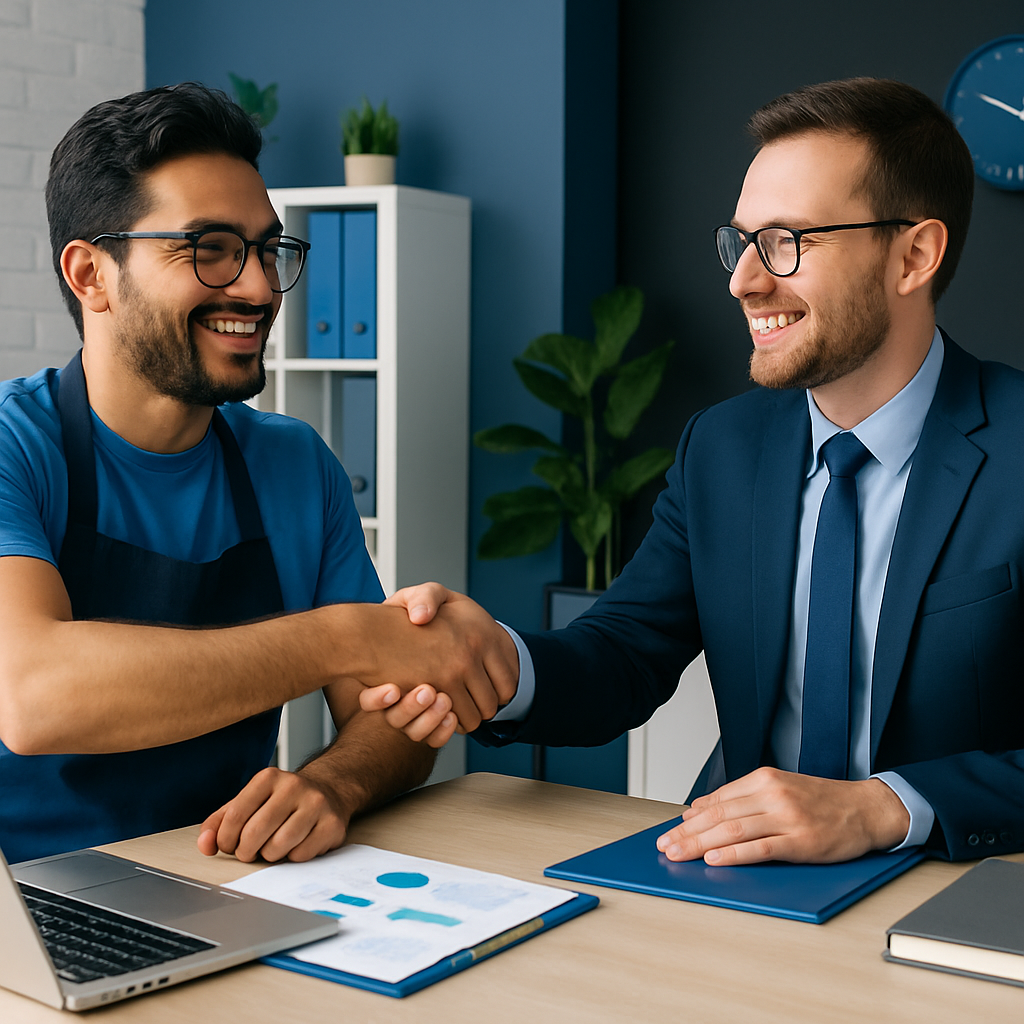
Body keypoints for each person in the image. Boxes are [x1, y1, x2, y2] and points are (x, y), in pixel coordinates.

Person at [362, 78, 1024, 866]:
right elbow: (626, 651)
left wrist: (885, 808)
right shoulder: (722, 446)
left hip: (959, 896)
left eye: (788, 242)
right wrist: (504, 664)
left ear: (914, 255)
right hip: (735, 876)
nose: (744, 280)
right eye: (740, 242)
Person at [0, 82, 518, 866]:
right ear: (90, 275)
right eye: (209, 249)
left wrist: (335, 784)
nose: (257, 286)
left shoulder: (293, 462)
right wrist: (346, 636)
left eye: (266, 248)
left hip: (231, 887)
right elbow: (35, 694)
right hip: (27, 908)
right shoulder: (16, 445)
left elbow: (395, 711)